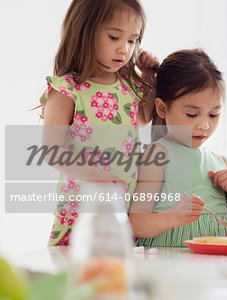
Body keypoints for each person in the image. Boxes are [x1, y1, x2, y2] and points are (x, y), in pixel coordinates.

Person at [39, 0, 159, 246]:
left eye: (131, 40)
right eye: (114, 37)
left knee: (115, 278)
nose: (124, 50)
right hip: (80, 211)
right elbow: (52, 151)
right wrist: (97, 176)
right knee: (77, 277)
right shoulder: (67, 89)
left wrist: (149, 77)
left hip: (121, 210)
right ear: (84, 32)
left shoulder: (129, 86)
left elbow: (145, 118)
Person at [128, 49, 227, 247]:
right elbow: (136, 223)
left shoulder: (221, 162)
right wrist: (171, 217)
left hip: (212, 269)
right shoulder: (158, 155)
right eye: (192, 114)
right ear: (162, 108)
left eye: (214, 114)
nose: (204, 125)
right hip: (167, 266)